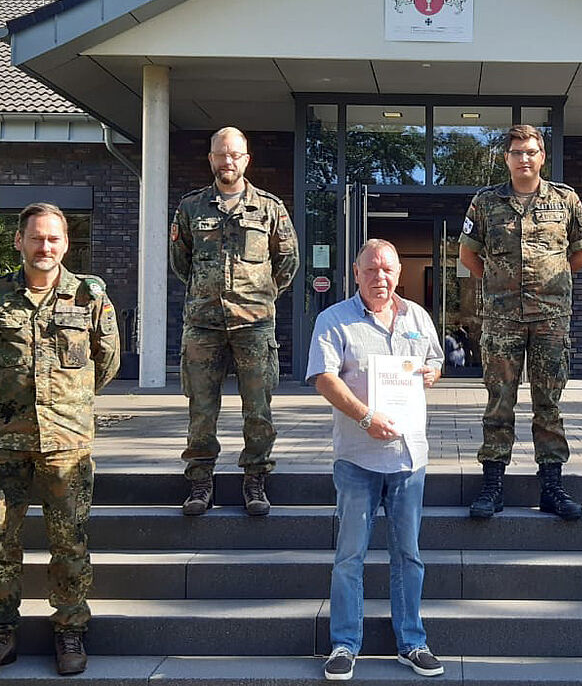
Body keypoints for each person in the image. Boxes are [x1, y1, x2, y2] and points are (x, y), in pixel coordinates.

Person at [0, 202, 120, 677]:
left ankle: (70, 630)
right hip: (2, 441)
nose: (44, 247)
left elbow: (106, 361)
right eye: (36, 238)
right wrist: (11, 404)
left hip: (66, 441)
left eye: (53, 238)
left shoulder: (89, 297)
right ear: (20, 241)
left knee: (70, 542)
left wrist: (67, 402)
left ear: (65, 244)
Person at [306, 239, 445, 682]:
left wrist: (433, 372)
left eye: (387, 269)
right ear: (356, 272)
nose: (379, 277)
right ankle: (344, 645)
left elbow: (436, 361)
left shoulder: (418, 317)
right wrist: (365, 416)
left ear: (399, 272)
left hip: (408, 459)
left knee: (409, 556)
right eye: (370, 269)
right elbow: (324, 378)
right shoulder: (334, 320)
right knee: (350, 556)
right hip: (358, 459)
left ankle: (412, 643)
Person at [458, 124, 582, 521]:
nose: (524, 159)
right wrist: (500, 283)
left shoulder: (565, 200)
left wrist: (550, 282)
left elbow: (581, 253)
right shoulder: (485, 202)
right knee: (499, 403)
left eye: (531, 151)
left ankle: (551, 487)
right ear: (506, 158)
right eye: (517, 152)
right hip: (502, 320)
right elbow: (468, 256)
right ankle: (492, 486)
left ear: (542, 156)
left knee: (548, 403)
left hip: (551, 319)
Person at [171, 126, 299, 516]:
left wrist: (260, 295)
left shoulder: (270, 208)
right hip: (203, 325)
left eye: (234, 154)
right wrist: (207, 292)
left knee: (258, 410)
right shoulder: (190, 208)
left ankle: (255, 478)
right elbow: (181, 262)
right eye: (220, 154)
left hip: (254, 325)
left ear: (246, 159)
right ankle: (200, 481)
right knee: (201, 409)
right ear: (211, 158)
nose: (227, 161)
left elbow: (287, 261)